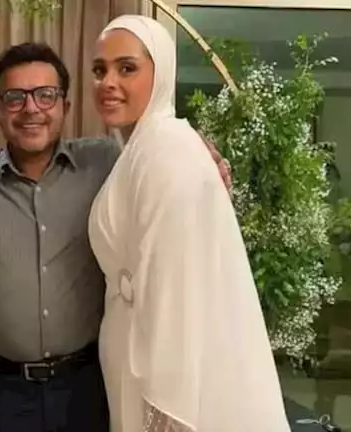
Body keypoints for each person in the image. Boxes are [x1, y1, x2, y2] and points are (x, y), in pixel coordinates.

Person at [0, 42, 231, 432]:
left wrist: (200, 155)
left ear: (65, 106)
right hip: (1, 393)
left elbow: (160, 151)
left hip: (86, 386)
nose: (31, 108)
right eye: (15, 97)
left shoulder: (108, 162)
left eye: (45, 95)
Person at [87, 15, 290, 432]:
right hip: (126, 356)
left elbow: (174, 299)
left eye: (127, 68)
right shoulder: (135, 150)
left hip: (157, 364)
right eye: (99, 69)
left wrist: (163, 415)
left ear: (161, 73)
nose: (108, 82)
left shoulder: (168, 149)